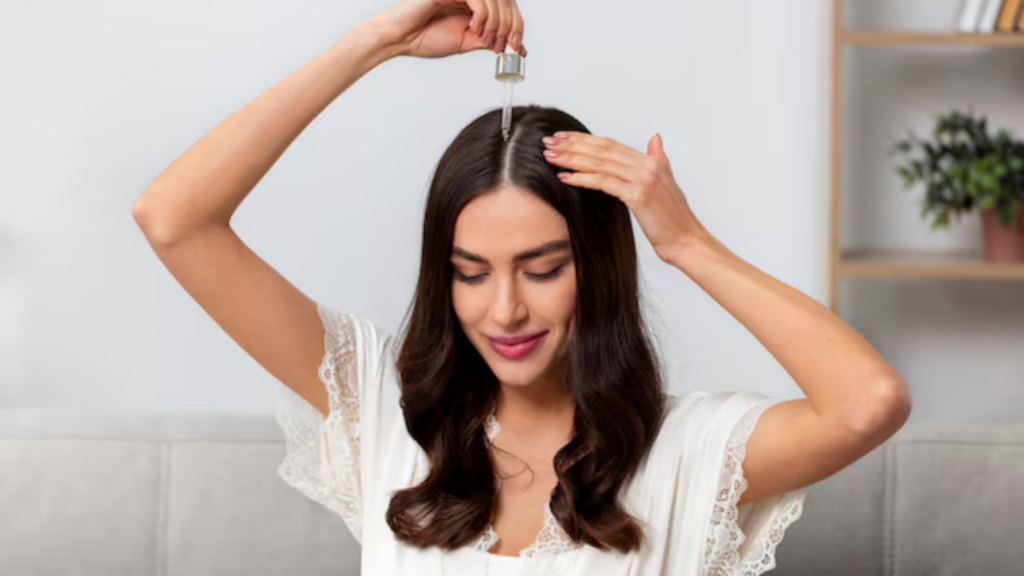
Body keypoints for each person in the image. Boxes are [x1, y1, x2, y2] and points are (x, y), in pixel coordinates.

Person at [132, 1, 913, 574]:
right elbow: (173, 218)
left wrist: (686, 243)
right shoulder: (387, 413)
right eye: (471, 274)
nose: (504, 309)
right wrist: (373, 45)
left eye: (543, 269)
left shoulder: (686, 452)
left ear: (598, 269)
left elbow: (867, 402)